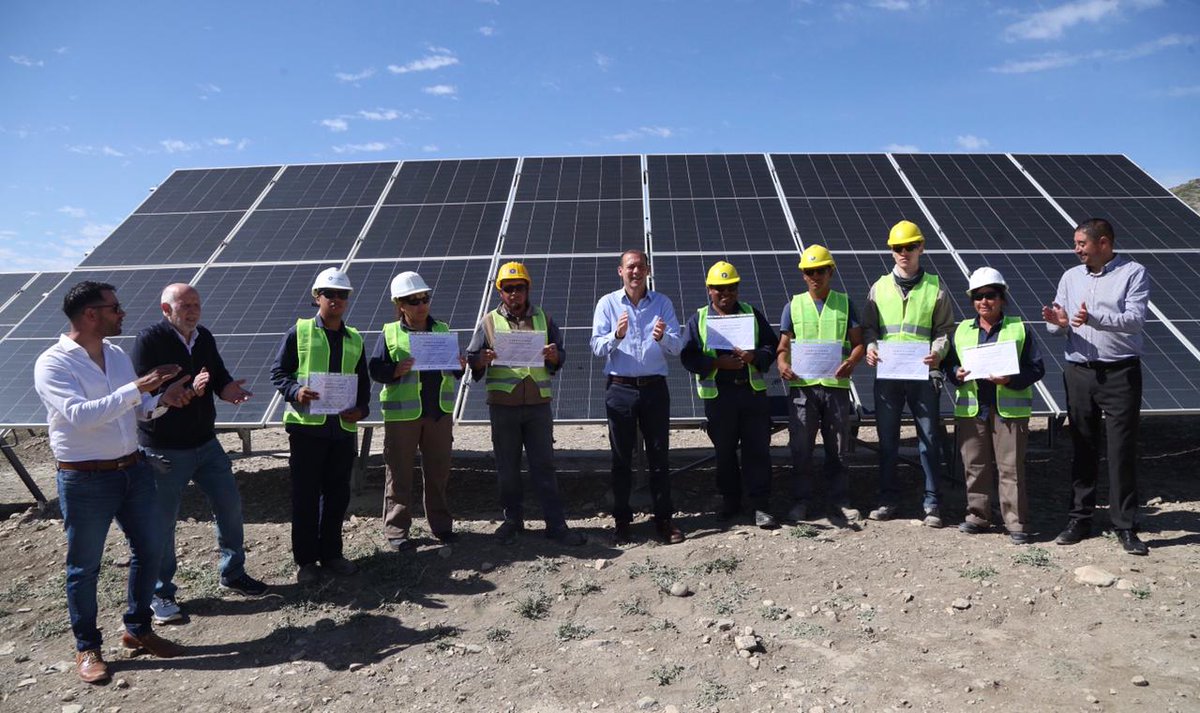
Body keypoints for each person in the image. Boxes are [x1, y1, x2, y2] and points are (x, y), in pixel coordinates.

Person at [34, 281, 192, 684]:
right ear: (91, 314)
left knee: (150, 550)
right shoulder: (53, 363)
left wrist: (162, 400)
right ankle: (87, 647)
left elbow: (134, 409)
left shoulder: (117, 355)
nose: (122, 313)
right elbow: (82, 416)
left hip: (133, 470)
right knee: (84, 566)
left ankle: (138, 630)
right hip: (85, 477)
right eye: (115, 308)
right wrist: (137, 388)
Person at [132, 283, 266, 626]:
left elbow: (218, 375)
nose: (193, 311)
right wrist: (183, 392)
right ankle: (161, 593)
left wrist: (228, 389)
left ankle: (233, 573)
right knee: (163, 523)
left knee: (229, 506)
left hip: (206, 443)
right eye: (185, 305)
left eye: (196, 304)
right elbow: (143, 392)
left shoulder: (203, 336)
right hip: (163, 447)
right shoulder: (150, 341)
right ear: (166, 310)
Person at [1042, 218, 1150, 555]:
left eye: (1081, 244)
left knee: (1121, 450)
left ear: (1103, 243)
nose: (1076, 250)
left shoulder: (1133, 273)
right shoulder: (1070, 277)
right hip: (1079, 372)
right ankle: (1079, 519)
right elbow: (1059, 325)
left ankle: (1125, 525)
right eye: (1076, 244)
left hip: (1120, 373)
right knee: (1082, 446)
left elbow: (1135, 320)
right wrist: (1058, 324)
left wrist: (1094, 319)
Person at [466, 261, 584, 546]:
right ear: (500, 292)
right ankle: (512, 521)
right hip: (503, 407)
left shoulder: (545, 319)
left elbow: (561, 354)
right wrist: (481, 359)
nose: (514, 293)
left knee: (544, 466)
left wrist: (555, 357)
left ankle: (555, 524)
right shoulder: (488, 322)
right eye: (508, 288)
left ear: (527, 289)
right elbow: (472, 358)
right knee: (507, 468)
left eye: (519, 287)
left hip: (537, 407)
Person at [271, 267, 371, 583]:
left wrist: (362, 409)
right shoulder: (299, 332)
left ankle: (332, 554)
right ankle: (306, 561)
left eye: (342, 294)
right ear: (317, 297)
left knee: (337, 495)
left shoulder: (355, 338)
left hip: (342, 431)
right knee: (305, 496)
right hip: (307, 429)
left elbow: (363, 383)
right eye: (330, 294)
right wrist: (296, 391)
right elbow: (279, 373)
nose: (336, 299)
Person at [862, 220, 955, 527]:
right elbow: (869, 328)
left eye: (910, 247)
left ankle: (932, 502)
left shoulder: (935, 287)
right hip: (888, 377)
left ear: (921, 248)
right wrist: (871, 347)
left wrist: (938, 353)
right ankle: (887, 498)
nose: (904, 252)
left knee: (928, 438)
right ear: (891, 251)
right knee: (887, 440)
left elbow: (944, 330)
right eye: (898, 248)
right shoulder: (878, 288)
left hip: (923, 375)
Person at [590, 249, 685, 545]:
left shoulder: (662, 303)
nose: (635, 272)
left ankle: (664, 519)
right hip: (620, 389)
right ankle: (622, 521)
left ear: (648, 270)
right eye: (630, 267)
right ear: (620, 271)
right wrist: (616, 336)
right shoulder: (607, 304)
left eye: (640, 266)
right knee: (621, 458)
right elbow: (596, 347)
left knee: (659, 456)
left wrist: (663, 337)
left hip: (654, 388)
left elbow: (677, 347)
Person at [943, 268, 1045, 544]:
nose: (984, 302)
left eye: (990, 295)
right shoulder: (961, 331)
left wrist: (1010, 379)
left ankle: (1016, 522)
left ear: (1001, 298)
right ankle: (978, 516)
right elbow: (949, 365)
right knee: (974, 465)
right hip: (973, 409)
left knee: (1010, 468)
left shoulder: (1019, 329)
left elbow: (1036, 368)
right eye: (978, 297)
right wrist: (955, 373)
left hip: (1008, 411)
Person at [368, 271, 465, 550]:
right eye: (414, 301)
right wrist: (394, 370)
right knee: (399, 474)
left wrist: (459, 365)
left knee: (438, 472)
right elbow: (375, 369)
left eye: (425, 299)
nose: (421, 305)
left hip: (438, 413)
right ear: (400, 305)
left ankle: (442, 526)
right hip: (403, 416)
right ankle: (397, 531)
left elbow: (453, 371)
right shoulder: (390, 333)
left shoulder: (442, 330)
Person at [681, 260, 780, 528]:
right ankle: (730, 503)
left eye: (731, 288)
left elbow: (771, 346)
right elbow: (688, 357)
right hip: (719, 398)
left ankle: (760, 505)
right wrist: (716, 363)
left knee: (757, 451)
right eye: (719, 288)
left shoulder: (751, 314)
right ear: (709, 290)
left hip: (751, 394)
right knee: (724, 453)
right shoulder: (699, 319)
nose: (726, 293)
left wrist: (753, 357)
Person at [776, 245, 864, 526]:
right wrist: (782, 364)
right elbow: (783, 347)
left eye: (820, 270)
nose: (815, 276)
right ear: (803, 275)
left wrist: (851, 361)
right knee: (801, 447)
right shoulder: (793, 306)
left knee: (838, 447)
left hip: (836, 387)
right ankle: (802, 501)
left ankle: (840, 500)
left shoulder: (845, 303)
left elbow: (859, 343)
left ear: (830, 271)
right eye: (809, 271)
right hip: (803, 388)